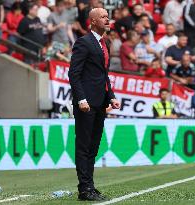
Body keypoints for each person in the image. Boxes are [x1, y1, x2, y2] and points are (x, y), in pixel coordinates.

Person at [68, 8, 120, 201]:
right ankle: (84, 189)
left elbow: (103, 75)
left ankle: (89, 185)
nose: (108, 20)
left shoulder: (103, 43)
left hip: (100, 102)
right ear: (92, 21)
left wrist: (111, 96)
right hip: (86, 104)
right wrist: (81, 99)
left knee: (93, 147)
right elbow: (74, 74)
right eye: (103, 17)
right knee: (83, 145)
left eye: (108, 17)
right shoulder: (84, 42)